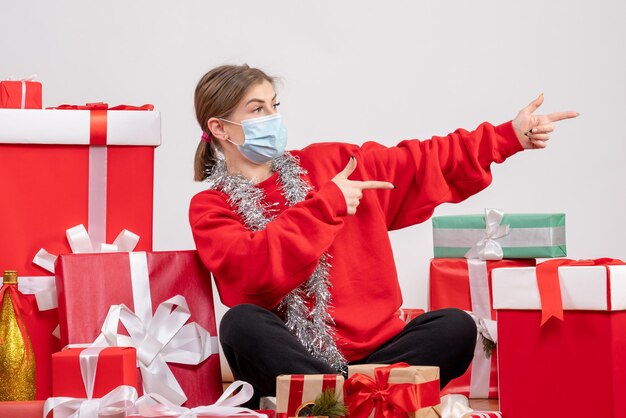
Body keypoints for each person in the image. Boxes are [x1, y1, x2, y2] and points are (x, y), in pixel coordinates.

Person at [188, 64, 578, 404]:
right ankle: (366, 397)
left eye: (275, 106)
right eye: (258, 110)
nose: (272, 117)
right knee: (240, 324)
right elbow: (252, 273)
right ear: (219, 128)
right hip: (294, 360)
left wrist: (508, 135)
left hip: (378, 353)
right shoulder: (211, 207)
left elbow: (420, 162)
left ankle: (336, 400)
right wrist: (327, 206)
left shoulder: (332, 162)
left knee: (455, 326)